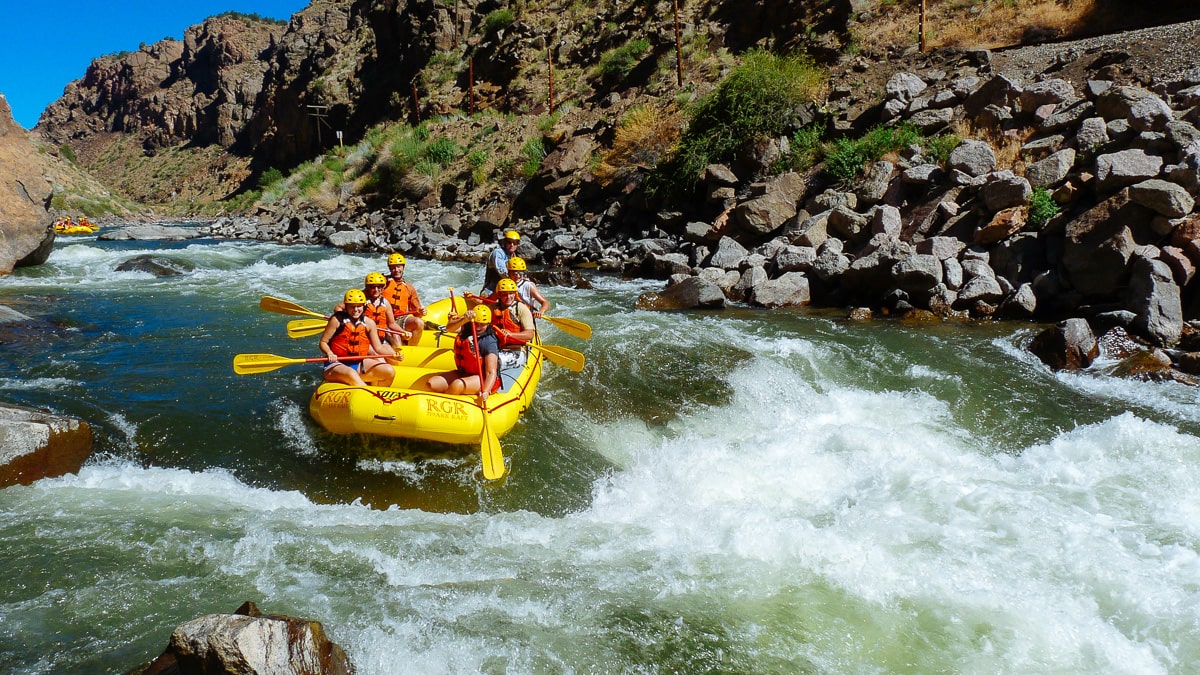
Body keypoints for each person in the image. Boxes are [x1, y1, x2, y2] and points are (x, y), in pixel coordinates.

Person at [319, 289, 402, 387]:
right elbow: (323, 342)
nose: (355, 310)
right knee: (350, 374)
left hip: (358, 363)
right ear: (346, 307)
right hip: (336, 364)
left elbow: (379, 348)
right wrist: (329, 353)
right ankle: (369, 395)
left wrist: (393, 355)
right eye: (352, 307)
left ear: (364, 306)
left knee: (389, 371)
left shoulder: (369, 323)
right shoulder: (336, 320)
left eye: (359, 306)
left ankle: (379, 396)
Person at [423, 304, 500, 403]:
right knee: (432, 383)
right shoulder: (467, 329)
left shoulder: (489, 341)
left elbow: (491, 372)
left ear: (488, 323)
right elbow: (450, 328)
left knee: (457, 385)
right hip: (464, 372)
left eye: (482, 324)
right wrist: (464, 318)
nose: (478, 327)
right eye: (476, 323)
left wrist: (485, 391)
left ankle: (441, 405)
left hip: (482, 378)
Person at [335, 273, 409, 348]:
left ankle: (399, 354)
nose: (376, 290)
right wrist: (345, 321)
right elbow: (338, 308)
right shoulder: (359, 299)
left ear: (383, 288)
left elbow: (391, 324)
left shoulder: (385, 303)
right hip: (363, 338)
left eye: (379, 287)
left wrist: (403, 332)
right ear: (367, 287)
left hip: (379, 338)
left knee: (396, 337)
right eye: (372, 287)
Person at [381, 253, 425, 345]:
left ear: (403, 268)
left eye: (399, 267)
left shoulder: (409, 288)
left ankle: (411, 349)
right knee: (397, 341)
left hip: (400, 319)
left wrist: (421, 312)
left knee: (419, 322)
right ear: (389, 269)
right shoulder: (382, 283)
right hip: (384, 320)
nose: (396, 270)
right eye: (393, 267)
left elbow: (417, 313)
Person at [482, 230, 521, 294]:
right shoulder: (498, 253)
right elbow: (502, 272)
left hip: (507, 289)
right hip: (491, 291)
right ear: (505, 242)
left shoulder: (514, 256)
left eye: (515, 243)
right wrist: (517, 280)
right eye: (509, 242)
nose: (512, 245)